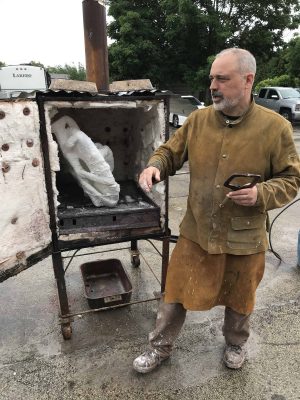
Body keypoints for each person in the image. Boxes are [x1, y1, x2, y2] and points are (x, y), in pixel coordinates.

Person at [133, 48, 300, 373]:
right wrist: (155, 166)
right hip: (197, 231)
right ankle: (159, 348)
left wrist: (261, 193)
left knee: (240, 299)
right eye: (212, 78)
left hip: (244, 238)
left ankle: (236, 344)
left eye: (222, 78)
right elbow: (170, 151)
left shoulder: (275, 128)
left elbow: (292, 179)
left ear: (248, 80)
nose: (213, 85)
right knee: (175, 294)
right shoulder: (198, 120)